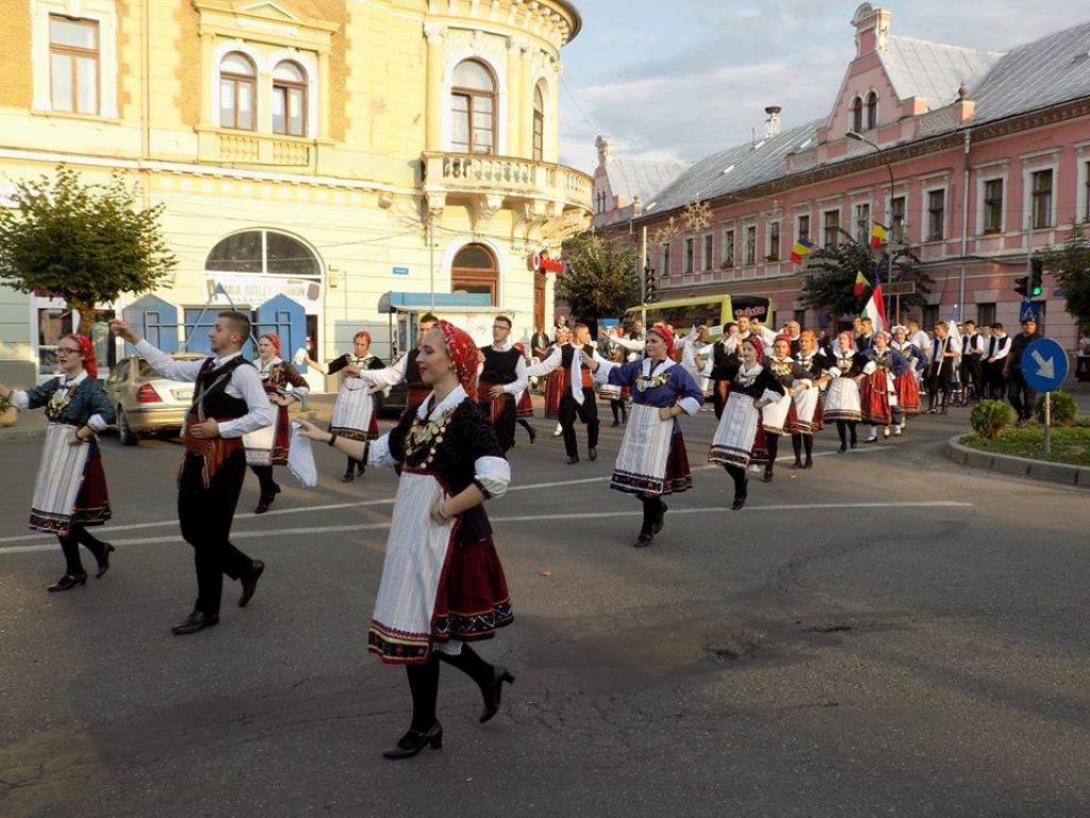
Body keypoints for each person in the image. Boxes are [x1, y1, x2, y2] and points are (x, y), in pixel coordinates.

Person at [296, 321, 513, 760]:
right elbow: (381, 453)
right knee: (429, 631)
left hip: (447, 537)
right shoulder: (422, 411)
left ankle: (424, 723)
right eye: (418, 351)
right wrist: (325, 437)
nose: (418, 358)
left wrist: (450, 507)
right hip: (413, 529)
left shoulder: (468, 413)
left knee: (421, 629)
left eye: (427, 351)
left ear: (453, 360)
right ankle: (484, 678)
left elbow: (497, 477)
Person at [110, 313, 273, 636]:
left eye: (218, 328)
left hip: (224, 462)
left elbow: (263, 414)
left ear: (236, 337)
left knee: (209, 540)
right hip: (197, 458)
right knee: (191, 531)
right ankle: (245, 567)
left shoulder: (244, 372)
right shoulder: (207, 366)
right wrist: (133, 338)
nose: (211, 333)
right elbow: (168, 367)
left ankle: (206, 609)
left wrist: (221, 427)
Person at [0, 335, 115, 592]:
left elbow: (108, 413)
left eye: (69, 351)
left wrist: (81, 433)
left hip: (78, 456)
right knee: (57, 514)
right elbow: (25, 400)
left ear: (83, 355)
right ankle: (93, 553)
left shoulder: (90, 386)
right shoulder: (57, 383)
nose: (62, 355)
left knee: (63, 515)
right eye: (59, 350)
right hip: (55, 451)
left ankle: (77, 568)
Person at [585, 324, 703, 547]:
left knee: (650, 480)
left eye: (654, 341)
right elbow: (616, 374)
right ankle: (658, 508)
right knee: (635, 476)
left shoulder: (676, 371)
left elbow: (696, 396)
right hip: (638, 425)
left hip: (661, 428)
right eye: (647, 341)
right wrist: (589, 360)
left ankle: (647, 528)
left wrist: (674, 410)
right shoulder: (639, 366)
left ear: (666, 345)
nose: (649, 345)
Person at [707, 337, 784, 510]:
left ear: (758, 352)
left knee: (738, 458)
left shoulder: (763, 373)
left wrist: (761, 402)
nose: (746, 352)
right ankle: (741, 481)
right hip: (731, 411)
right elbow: (714, 373)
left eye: (750, 349)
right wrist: (698, 359)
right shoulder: (735, 368)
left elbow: (779, 392)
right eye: (744, 349)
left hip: (748, 414)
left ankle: (740, 491)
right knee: (723, 456)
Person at [307, 331, 386, 482]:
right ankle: (359, 462)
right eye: (357, 344)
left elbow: (385, 377)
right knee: (345, 435)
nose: (359, 347)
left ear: (368, 345)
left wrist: (373, 387)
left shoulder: (374, 361)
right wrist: (308, 361)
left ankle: (350, 470)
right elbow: (327, 369)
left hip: (362, 400)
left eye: (363, 344)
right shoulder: (347, 358)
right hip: (346, 398)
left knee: (354, 435)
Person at [247, 333, 309, 512]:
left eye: (266, 344)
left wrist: (286, 401)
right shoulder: (251, 366)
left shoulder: (283, 366)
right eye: (260, 344)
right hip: (253, 413)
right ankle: (270, 486)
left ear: (275, 346)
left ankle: (265, 495)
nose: (262, 347)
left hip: (273, 414)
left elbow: (303, 386)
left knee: (265, 458)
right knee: (251, 457)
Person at [527, 322, 604, 464]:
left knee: (593, 420)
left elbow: (603, 366)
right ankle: (573, 454)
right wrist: (525, 372)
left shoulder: (591, 350)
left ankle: (592, 445)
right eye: (586, 333)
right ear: (578, 336)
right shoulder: (563, 350)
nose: (588, 336)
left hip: (586, 391)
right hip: (570, 392)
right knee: (566, 422)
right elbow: (546, 366)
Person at [355, 313, 440, 416]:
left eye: (428, 330)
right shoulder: (411, 355)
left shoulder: (445, 355)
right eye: (422, 329)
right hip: (414, 413)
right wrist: (361, 373)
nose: (424, 333)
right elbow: (391, 375)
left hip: (437, 410)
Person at [755, 337, 812, 482]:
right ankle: (758, 461)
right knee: (762, 434)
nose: (780, 350)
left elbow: (809, 377)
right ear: (774, 347)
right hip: (765, 399)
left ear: (788, 349)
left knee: (773, 437)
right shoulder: (767, 361)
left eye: (783, 347)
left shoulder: (793, 365)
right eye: (778, 346)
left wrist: (798, 388)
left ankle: (769, 468)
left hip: (782, 402)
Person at [477, 316, 528, 454]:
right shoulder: (483, 352)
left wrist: (504, 389)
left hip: (505, 405)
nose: (496, 330)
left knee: (503, 443)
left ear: (508, 332)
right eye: (495, 327)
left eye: (501, 327)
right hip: (483, 404)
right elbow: (475, 376)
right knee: (481, 443)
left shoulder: (516, 355)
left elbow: (523, 380)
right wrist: (476, 362)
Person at [822, 331, 871, 452]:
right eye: (840, 339)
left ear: (849, 341)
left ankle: (853, 434)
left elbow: (871, 364)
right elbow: (825, 367)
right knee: (839, 417)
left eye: (844, 339)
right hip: (836, 385)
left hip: (850, 386)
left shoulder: (856, 355)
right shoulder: (833, 355)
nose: (841, 341)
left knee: (849, 417)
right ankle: (843, 442)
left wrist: (860, 376)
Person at [789, 330, 827, 469]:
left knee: (806, 427)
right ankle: (797, 459)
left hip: (810, 393)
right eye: (801, 341)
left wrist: (820, 381)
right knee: (795, 428)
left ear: (812, 342)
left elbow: (834, 369)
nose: (803, 343)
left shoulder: (818, 357)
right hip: (795, 392)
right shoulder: (793, 357)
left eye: (806, 341)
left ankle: (809, 458)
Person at [860, 331, 906, 441]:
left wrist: (892, 373)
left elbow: (904, 364)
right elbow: (858, 360)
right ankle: (873, 434)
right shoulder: (869, 352)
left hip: (886, 381)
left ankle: (897, 425)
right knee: (872, 405)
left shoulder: (892, 353)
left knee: (892, 404)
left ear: (886, 340)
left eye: (880, 338)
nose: (878, 340)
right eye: (876, 338)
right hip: (873, 383)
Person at [1005, 317, 1041, 426]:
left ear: (1035, 326)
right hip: (1016, 370)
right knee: (1012, 395)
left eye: (1032, 324)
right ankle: (1021, 413)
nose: (1029, 326)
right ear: (1023, 326)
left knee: (1029, 400)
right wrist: (1006, 367)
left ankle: (1026, 416)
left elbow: (1045, 354)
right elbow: (1011, 353)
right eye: (1027, 324)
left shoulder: (1039, 339)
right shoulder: (1017, 338)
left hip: (1031, 372)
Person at [890, 325, 922, 420]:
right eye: (897, 334)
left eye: (901, 334)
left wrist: (916, 368)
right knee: (893, 397)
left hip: (906, 375)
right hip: (893, 374)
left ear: (905, 335)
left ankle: (902, 418)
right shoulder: (890, 346)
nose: (899, 336)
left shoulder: (911, 346)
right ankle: (894, 420)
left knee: (905, 396)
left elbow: (923, 357)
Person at [926, 321, 958, 414]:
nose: (936, 331)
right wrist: (930, 368)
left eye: (938, 329)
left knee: (945, 387)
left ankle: (944, 407)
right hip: (936, 364)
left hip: (946, 365)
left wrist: (947, 354)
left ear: (944, 330)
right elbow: (932, 355)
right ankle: (932, 407)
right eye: (935, 329)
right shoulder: (934, 341)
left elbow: (957, 352)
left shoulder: (950, 340)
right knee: (933, 387)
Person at [511, 341, 537, 444]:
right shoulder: (510, 359)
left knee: (516, 416)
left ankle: (530, 431)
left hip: (519, 391)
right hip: (510, 389)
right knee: (511, 415)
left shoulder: (523, 362)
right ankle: (512, 438)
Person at [959, 320, 986, 402]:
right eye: (966, 326)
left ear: (974, 326)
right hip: (965, 358)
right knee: (964, 379)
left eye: (969, 326)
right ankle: (964, 398)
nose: (968, 328)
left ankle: (979, 396)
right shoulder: (964, 337)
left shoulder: (978, 337)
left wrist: (974, 350)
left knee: (976, 378)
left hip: (974, 359)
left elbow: (981, 350)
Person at [983, 323, 1012, 399]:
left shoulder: (1007, 339)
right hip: (991, 361)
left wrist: (996, 357)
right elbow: (986, 349)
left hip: (1001, 362)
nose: (991, 332)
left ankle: (1001, 395)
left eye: (993, 330)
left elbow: (1005, 351)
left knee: (1001, 379)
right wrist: (983, 358)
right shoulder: (991, 338)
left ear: (998, 330)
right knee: (992, 380)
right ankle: (992, 395)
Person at [529, 326, 551, 392]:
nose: (540, 331)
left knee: (542, 372)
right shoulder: (534, 336)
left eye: (541, 329)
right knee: (536, 371)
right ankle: (534, 384)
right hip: (537, 356)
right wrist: (542, 352)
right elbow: (534, 346)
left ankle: (541, 388)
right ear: (537, 330)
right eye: (539, 330)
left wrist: (546, 352)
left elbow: (548, 346)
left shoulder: (545, 336)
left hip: (544, 356)